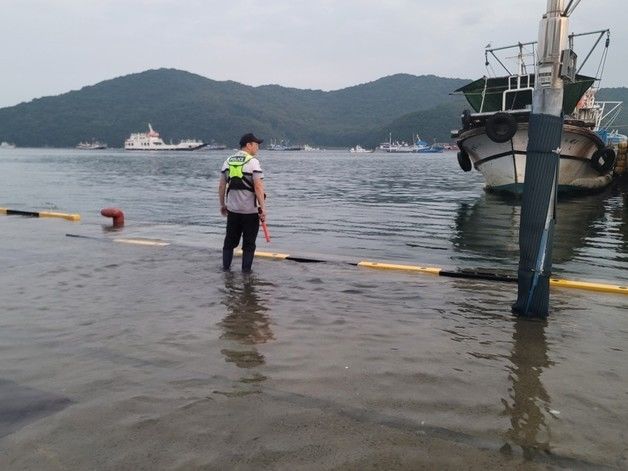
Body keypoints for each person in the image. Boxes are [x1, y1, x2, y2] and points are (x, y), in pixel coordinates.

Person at [219, 133, 267, 272]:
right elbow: (258, 187)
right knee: (249, 244)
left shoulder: (228, 161)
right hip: (250, 212)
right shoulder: (253, 162)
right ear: (248, 145)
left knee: (229, 242)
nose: (258, 147)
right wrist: (263, 209)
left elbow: (222, 186)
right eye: (256, 144)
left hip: (233, 211)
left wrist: (222, 205)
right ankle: (246, 274)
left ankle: (225, 270)